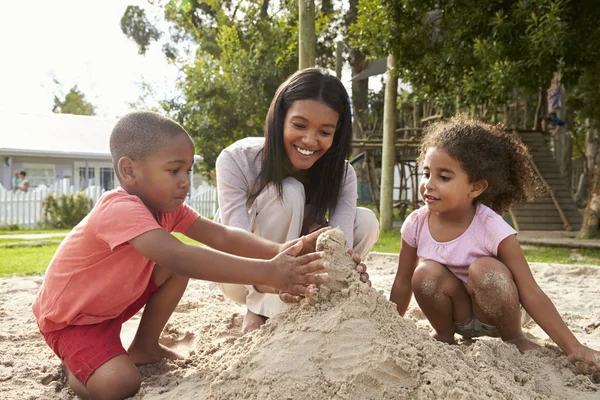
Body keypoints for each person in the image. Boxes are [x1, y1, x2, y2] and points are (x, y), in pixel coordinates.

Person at [32, 111, 330, 400]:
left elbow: (221, 235)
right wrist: (268, 272)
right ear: (129, 170)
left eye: (188, 170)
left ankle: (145, 346)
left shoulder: (165, 209)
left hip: (108, 308)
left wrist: (279, 250)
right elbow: (180, 256)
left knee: (174, 268)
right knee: (121, 383)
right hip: (72, 322)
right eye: (174, 170)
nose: (185, 180)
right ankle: (76, 368)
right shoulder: (119, 208)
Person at [391, 115, 599, 373]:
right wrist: (389, 326)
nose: (428, 184)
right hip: (455, 317)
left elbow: (531, 292)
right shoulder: (416, 224)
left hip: (497, 316)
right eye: (426, 173)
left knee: (485, 270)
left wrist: (573, 346)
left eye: (444, 177)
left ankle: (514, 337)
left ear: (475, 188)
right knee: (425, 273)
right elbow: (402, 282)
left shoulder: (492, 227)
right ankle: (443, 334)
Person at [214, 68, 380, 332]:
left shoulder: (342, 174)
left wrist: (347, 271)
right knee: (288, 191)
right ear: (280, 120)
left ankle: (322, 301)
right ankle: (259, 310)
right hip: (242, 275)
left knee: (367, 221)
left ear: (337, 133)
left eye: (324, 132)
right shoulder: (238, 158)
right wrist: (269, 281)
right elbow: (234, 239)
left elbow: (343, 242)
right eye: (299, 125)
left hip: (298, 275)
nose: (309, 140)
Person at [547, 71, 566, 138]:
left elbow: (557, 86)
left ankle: (554, 133)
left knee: (562, 124)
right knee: (558, 124)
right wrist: (556, 76)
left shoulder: (555, 93)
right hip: (551, 114)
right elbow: (555, 84)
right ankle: (553, 133)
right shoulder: (552, 93)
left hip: (553, 113)